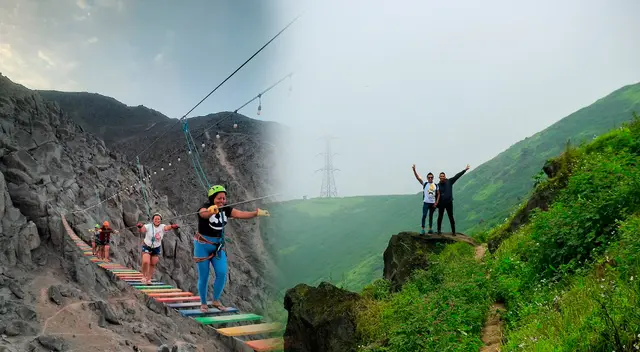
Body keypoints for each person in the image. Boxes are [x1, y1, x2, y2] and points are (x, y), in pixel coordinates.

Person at [194, 184, 270, 312]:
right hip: (202, 245)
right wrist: (211, 210)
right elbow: (203, 214)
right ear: (212, 198)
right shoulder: (206, 207)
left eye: (224, 198)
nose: (222, 201)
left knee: (222, 273)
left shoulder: (226, 209)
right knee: (204, 276)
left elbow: (240, 214)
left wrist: (256, 213)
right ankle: (203, 303)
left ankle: (216, 300)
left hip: (217, 246)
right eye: (219, 198)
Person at [136, 213, 179, 285]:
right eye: (155, 219)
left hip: (156, 248)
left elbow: (166, 227)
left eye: (158, 219)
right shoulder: (149, 226)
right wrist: (140, 226)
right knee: (146, 261)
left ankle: (149, 279)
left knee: (153, 263)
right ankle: (143, 277)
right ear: (153, 220)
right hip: (147, 246)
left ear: (160, 220)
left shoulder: (162, 226)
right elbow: (143, 230)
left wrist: (172, 226)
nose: (157, 220)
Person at [436, 164, 470, 235]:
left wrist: (465, 170)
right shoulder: (438, 185)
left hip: (449, 202)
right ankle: (439, 231)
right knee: (440, 217)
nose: (442, 177)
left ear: (445, 177)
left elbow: (457, 176)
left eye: (443, 176)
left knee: (451, 216)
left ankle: (453, 232)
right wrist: (437, 204)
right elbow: (436, 195)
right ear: (439, 177)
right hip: (441, 203)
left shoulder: (449, 181)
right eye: (441, 176)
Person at [412, 165, 439, 234]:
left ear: (433, 178)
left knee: (431, 216)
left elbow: (438, 194)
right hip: (426, 202)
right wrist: (414, 170)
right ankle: (423, 229)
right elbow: (418, 178)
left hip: (432, 203)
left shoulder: (436, 185)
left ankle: (430, 228)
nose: (430, 178)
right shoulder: (425, 184)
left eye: (431, 177)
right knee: (424, 215)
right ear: (427, 178)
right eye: (429, 177)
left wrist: (436, 202)